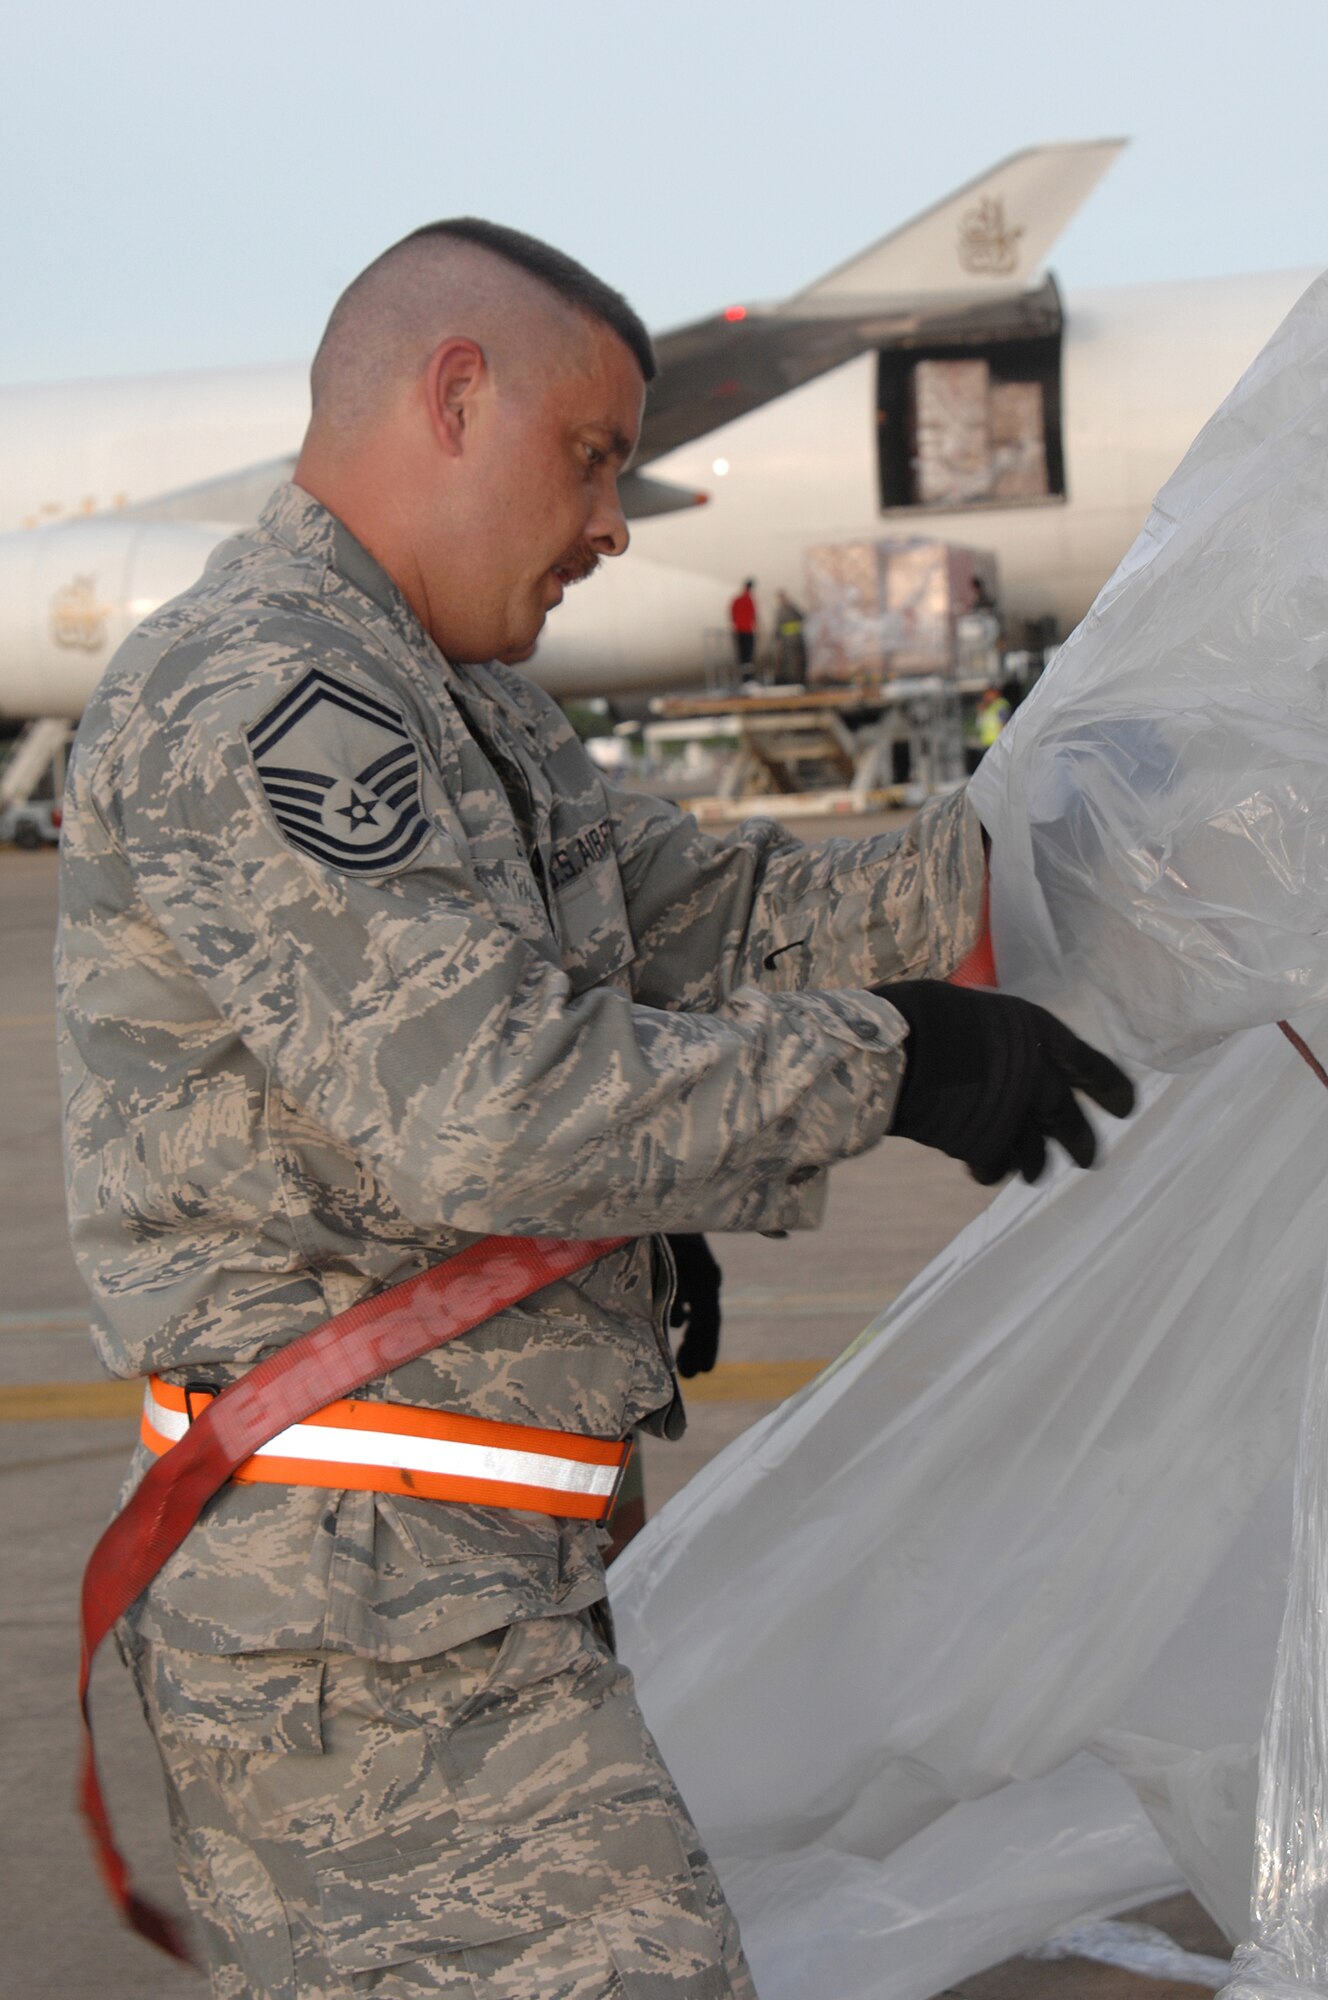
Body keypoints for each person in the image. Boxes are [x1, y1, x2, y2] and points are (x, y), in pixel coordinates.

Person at [57, 218, 1132, 1998]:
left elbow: (712, 923)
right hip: (365, 1633)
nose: (615, 519)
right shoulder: (265, 693)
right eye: (591, 455)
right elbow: (481, 1104)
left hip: (447, 1590)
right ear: (452, 396)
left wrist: (1058, 837)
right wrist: (899, 1064)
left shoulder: (460, 705)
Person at [773, 590, 807, 684]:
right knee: (787, 661)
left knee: (795, 661)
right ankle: (790, 678)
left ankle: (797, 679)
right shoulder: (780, 610)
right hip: (786, 641)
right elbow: (778, 626)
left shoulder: (792, 608)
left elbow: (802, 617)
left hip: (794, 639)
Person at [729, 577, 758, 673]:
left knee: (741, 654)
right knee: (748, 654)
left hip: (738, 630)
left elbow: (732, 614)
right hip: (747, 630)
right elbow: (754, 615)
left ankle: (743, 675)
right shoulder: (749, 600)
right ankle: (748, 676)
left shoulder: (737, 600)